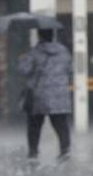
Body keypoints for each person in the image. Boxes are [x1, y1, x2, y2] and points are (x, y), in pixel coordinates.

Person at [18, 28, 73, 160]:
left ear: (39, 36)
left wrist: (22, 59)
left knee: (34, 125)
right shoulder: (63, 51)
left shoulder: (35, 52)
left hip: (39, 95)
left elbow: (24, 70)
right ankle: (65, 150)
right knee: (61, 124)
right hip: (60, 94)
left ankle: (33, 151)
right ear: (53, 36)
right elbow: (70, 70)